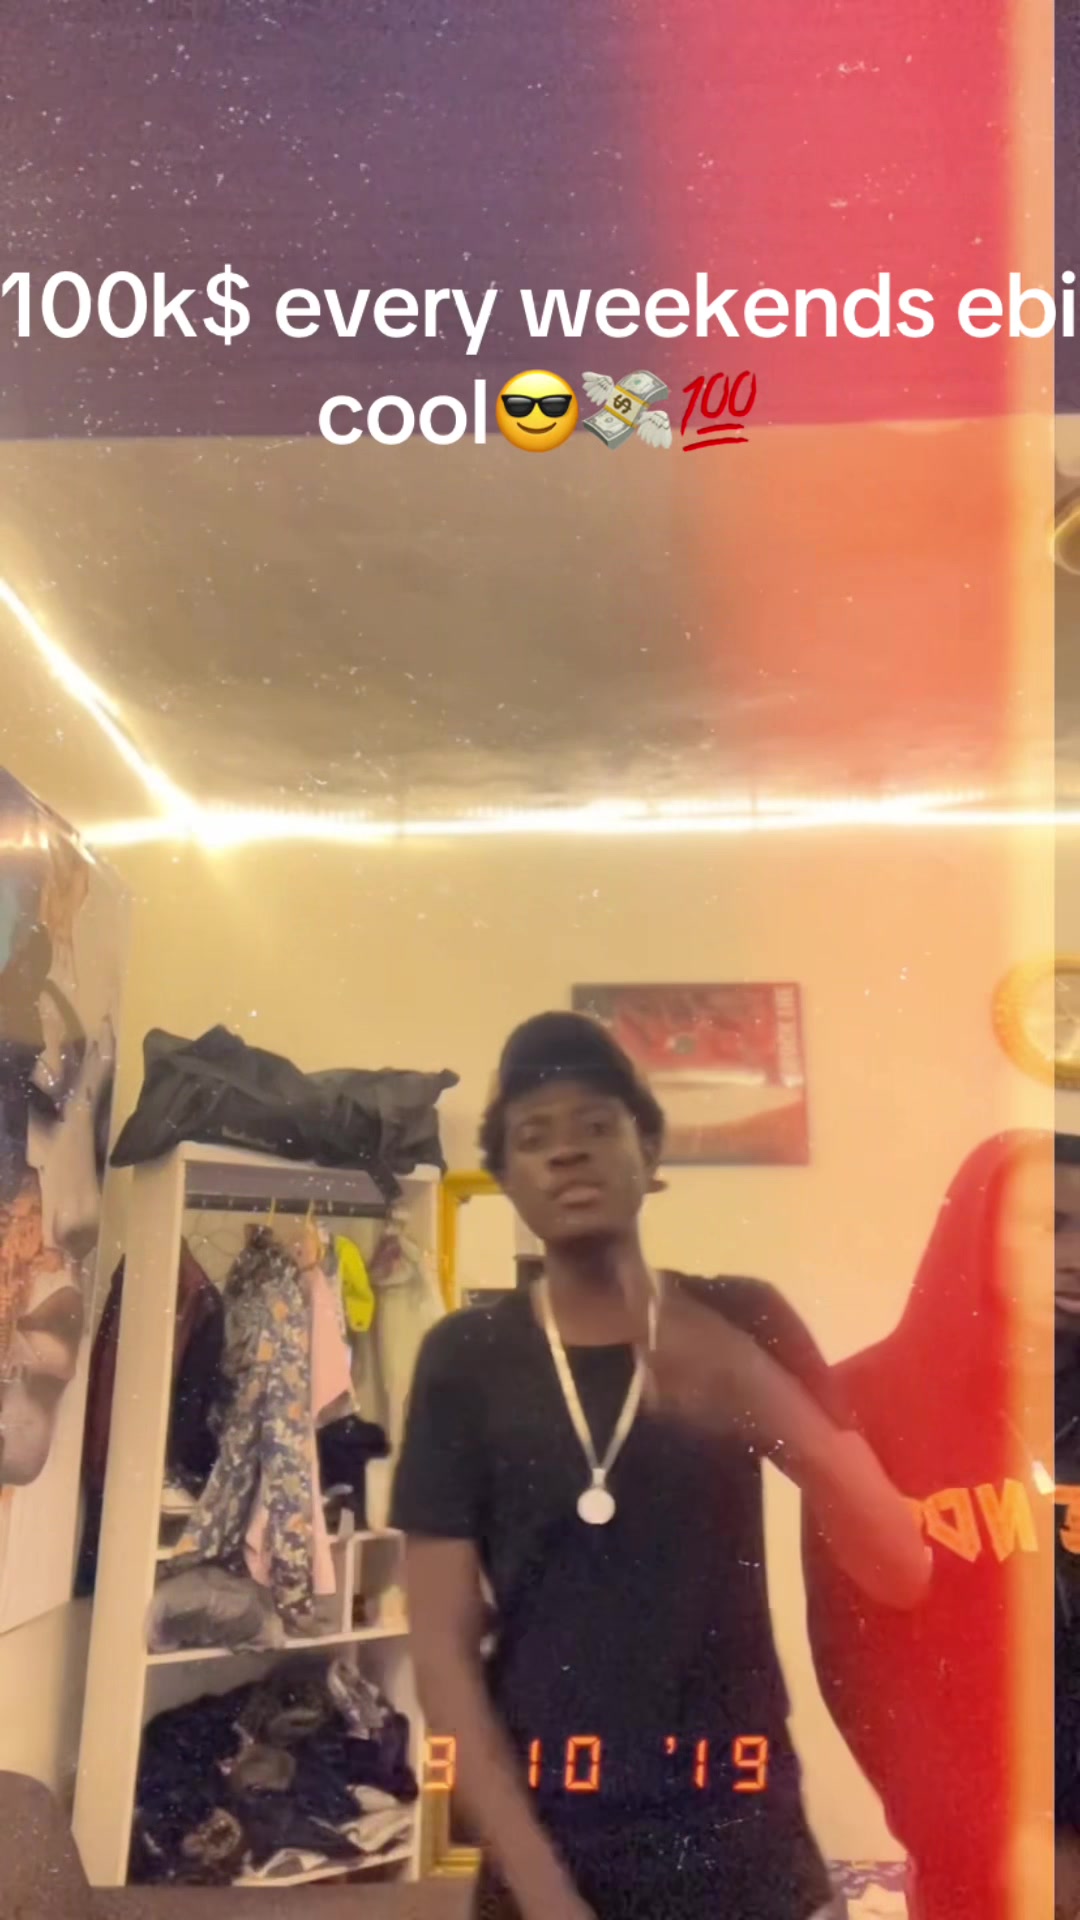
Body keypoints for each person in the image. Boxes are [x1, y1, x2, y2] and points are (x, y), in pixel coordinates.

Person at [392, 1011, 929, 1920]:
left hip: (746, 1835)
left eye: (596, 1124)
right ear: (507, 1177)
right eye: (534, 1136)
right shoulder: (465, 1358)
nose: (567, 1151)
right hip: (549, 1834)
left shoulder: (744, 1317)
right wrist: (545, 1895)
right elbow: (440, 1650)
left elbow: (901, 1567)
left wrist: (747, 1383)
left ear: (649, 1150)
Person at [802, 1132, 1057, 1920]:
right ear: (977, 1233)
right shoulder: (862, 1404)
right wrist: (981, 1839)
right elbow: (855, 1664)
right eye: (1049, 1224)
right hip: (977, 1856)